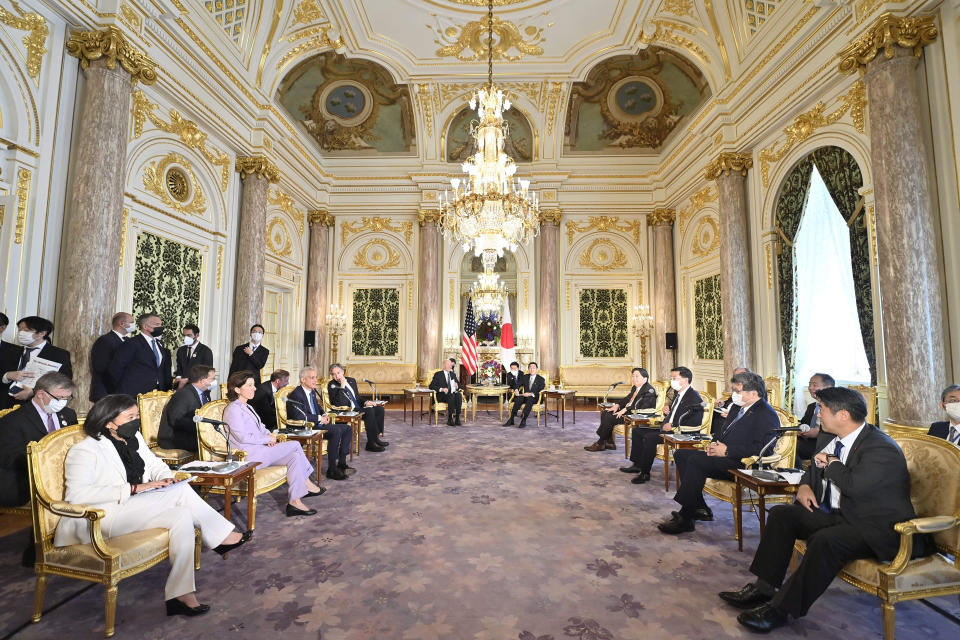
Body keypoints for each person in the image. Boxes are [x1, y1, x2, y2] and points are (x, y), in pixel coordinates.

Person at [719, 386, 933, 633]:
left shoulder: (880, 448)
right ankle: (763, 588)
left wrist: (831, 462)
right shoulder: (831, 436)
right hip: (841, 514)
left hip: (877, 526)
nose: (818, 415)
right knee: (782, 514)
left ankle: (781, 609)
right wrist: (805, 486)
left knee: (826, 540)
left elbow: (855, 487)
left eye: (822, 409)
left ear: (842, 415)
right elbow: (812, 470)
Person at [55, 394, 251, 617]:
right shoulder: (86, 450)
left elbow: (155, 464)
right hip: (100, 515)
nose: (135, 421)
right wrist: (134, 488)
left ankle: (181, 594)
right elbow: (77, 495)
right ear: (109, 422)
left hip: (135, 506)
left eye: (137, 415)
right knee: (180, 494)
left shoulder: (133, 437)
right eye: (130, 417)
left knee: (181, 516)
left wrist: (166, 479)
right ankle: (222, 537)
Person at [658, 371, 779, 534]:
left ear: (754, 393)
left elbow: (764, 450)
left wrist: (727, 451)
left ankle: (686, 517)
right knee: (681, 454)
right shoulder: (737, 407)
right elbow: (724, 433)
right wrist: (714, 445)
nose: (734, 395)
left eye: (738, 391)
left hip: (744, 463)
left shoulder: (766, 414)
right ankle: (699, 508)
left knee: (695, 461)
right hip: (724, 457)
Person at [223, 371, 327, 514]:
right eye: (250, 385)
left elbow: (262, 427)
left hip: (260, 450)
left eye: (254, 385)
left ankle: (295, 502)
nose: (254, 388)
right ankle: (307, 483)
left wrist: (269, 435)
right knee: (295, 445)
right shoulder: (233, 409)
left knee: (294, 457)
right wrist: (267, 439)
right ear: (236, 389)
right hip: (247, 456)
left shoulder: (247, 406)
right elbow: (242, 437)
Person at [0, 373, 78, 507]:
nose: (63, 402)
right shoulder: (13, 420)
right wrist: (44, 460)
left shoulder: (69, 415)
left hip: (66, 480)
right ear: (41, 394)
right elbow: (7, 456)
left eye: (67, 398)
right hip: (28, 482)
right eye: (59, 398)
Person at [620, 366, 704, 483]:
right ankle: (637, 464)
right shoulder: (679, 394)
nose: (672, 381)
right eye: (672, 378)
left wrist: (673, 425)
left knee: (650, 438)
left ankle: (645, 473)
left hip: (679, 432)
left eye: (674, 378)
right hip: (666, 428)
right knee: (637, 431)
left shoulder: (693, 397)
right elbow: (679, 413)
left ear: (685, 380)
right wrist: (668, 412)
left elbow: (694, 419)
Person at [286, 367, 354, 481]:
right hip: (307, 427)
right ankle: (331, 469)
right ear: (303, 380)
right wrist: (319, 418)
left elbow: (317, 407)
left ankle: (342, 464)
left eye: (316, 377)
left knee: (347, 428)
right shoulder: (296, 394)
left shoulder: (311, 391)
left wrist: (324, 415)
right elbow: (299, 416)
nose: (315, 380)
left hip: (317, 424)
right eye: (312, 378)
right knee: (336, 431)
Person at [0, 316, 73, 409]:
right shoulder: (10, 350)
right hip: (6, 405)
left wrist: (33, 392)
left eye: (26, 330)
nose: (21, 333)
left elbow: (64, 381)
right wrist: (7, 376)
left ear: (42, 333)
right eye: (19, 330)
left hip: (38, 407)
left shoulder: (59, 354)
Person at [586, 367, 658, 451]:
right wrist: (617, 405)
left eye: (637, 376)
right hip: (628, 411)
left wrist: (625, 409)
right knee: (606, 412)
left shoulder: (649, 391)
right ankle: (609, 442)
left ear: (645, 379)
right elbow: (628, 399)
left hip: (636, 416)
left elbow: (642, 407)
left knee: (609, 417)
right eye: (633, 376)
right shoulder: (635, 388)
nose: (634, 378)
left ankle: (601, 442)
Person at [328, 363, 388, 451]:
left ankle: (376, 438)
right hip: (347, 410)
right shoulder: (332, 385)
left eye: (338, 373)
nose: (336, 376)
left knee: (379, 409)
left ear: (343, 372)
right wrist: (342, 386)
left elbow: (357, 397)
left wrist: (366, 402)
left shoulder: (352, 381)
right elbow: (339, 403)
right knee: (369, 411)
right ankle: (371, 444)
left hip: (357, 407)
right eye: (333, 374)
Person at [109, 313, 172, 397]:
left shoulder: (159, 344)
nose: (160, 327)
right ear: (145, 326)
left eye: (161, 324)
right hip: (134, 394)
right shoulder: (131, 343)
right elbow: (116, 368)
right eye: (157, 324)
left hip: (156, 393)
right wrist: (124, 390)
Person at [158, 365, 217, 452]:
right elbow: (176, 420)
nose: (214, 381)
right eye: (212, 378)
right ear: (202, 381)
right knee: (212, 443)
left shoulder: (203, 393)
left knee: (218, 439)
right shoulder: (183, 395)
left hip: (191, 434)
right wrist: (202, 428)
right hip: (174, 438)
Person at [90, 312, 136, 402]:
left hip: (124, 392)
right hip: (106, 392)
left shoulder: (129, 341)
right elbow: (101, 367)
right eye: (131, 322)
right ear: (122, 324)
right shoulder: (105, 341)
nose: (134, 325)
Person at [797, 373, 835, 460]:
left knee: (793, 449)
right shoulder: (811, 406)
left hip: (824, 446)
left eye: (814, 385)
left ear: (828, 387)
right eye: (809, 384)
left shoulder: (835, 407)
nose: (810, 388)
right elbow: (803, 424)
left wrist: (818, 433)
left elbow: (838, 431)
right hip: (807, 442)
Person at [504, 361, 545, 428]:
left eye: (533, 368)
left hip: (534, 397)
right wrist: (516, 390)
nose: (532, 369)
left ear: (536, 369)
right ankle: (511, 419)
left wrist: (531, 393)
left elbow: (540, 389)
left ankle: (524, 419)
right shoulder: (525, 377)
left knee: (530, 399)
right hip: (525, 396)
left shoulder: (541, 379)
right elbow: (518, 384)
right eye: (530, 368)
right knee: (519, 398)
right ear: (528, 369)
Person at [710, 367, 750, 435]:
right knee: (711, 412)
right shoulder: (737, 387)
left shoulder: (752, 390)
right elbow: (729, 401)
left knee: (720, 420)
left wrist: (734, 414)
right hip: (728, 411)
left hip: (739, 417)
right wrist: (721, 404)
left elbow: (751, 408)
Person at [173, 324, 214, 389]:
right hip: (183, 389)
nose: (186, 338)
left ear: (197, 335)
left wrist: (187, 380)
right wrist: (178, 378)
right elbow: (179, 368)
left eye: (189, 335)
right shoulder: (181, 350)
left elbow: (207, 373)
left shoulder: (206, 351)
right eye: (184, 335)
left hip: (199, 388)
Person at [430, 358, 463, 426]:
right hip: (442, 395)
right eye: (448, 365)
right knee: (452, 396)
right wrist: (441, 389)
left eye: (450, 365)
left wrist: (457, 385)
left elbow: (459, 385)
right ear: (444, 365)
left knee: (458, 395)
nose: (450, 366)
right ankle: (450, 419)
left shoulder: (452, 374)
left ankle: (457, 418)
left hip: (451, 394)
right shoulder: (438, 374)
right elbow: (431, 386)